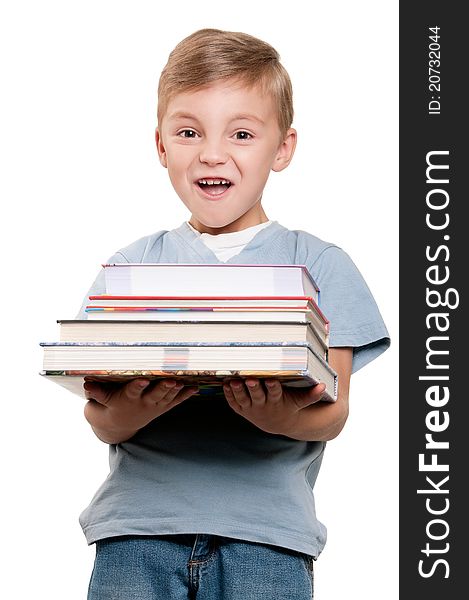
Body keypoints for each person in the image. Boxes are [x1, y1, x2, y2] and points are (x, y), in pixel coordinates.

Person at [78, 28, 390, 600]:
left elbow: (334, 411)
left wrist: (282, 421)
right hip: (135, 534)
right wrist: (131, 409)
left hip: (266, 542)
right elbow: (99, 418)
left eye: (242, 133)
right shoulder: (128, 269)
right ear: (161, 145)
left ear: (283, 148)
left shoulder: (320, 264)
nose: (212, 153)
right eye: (190, 131)